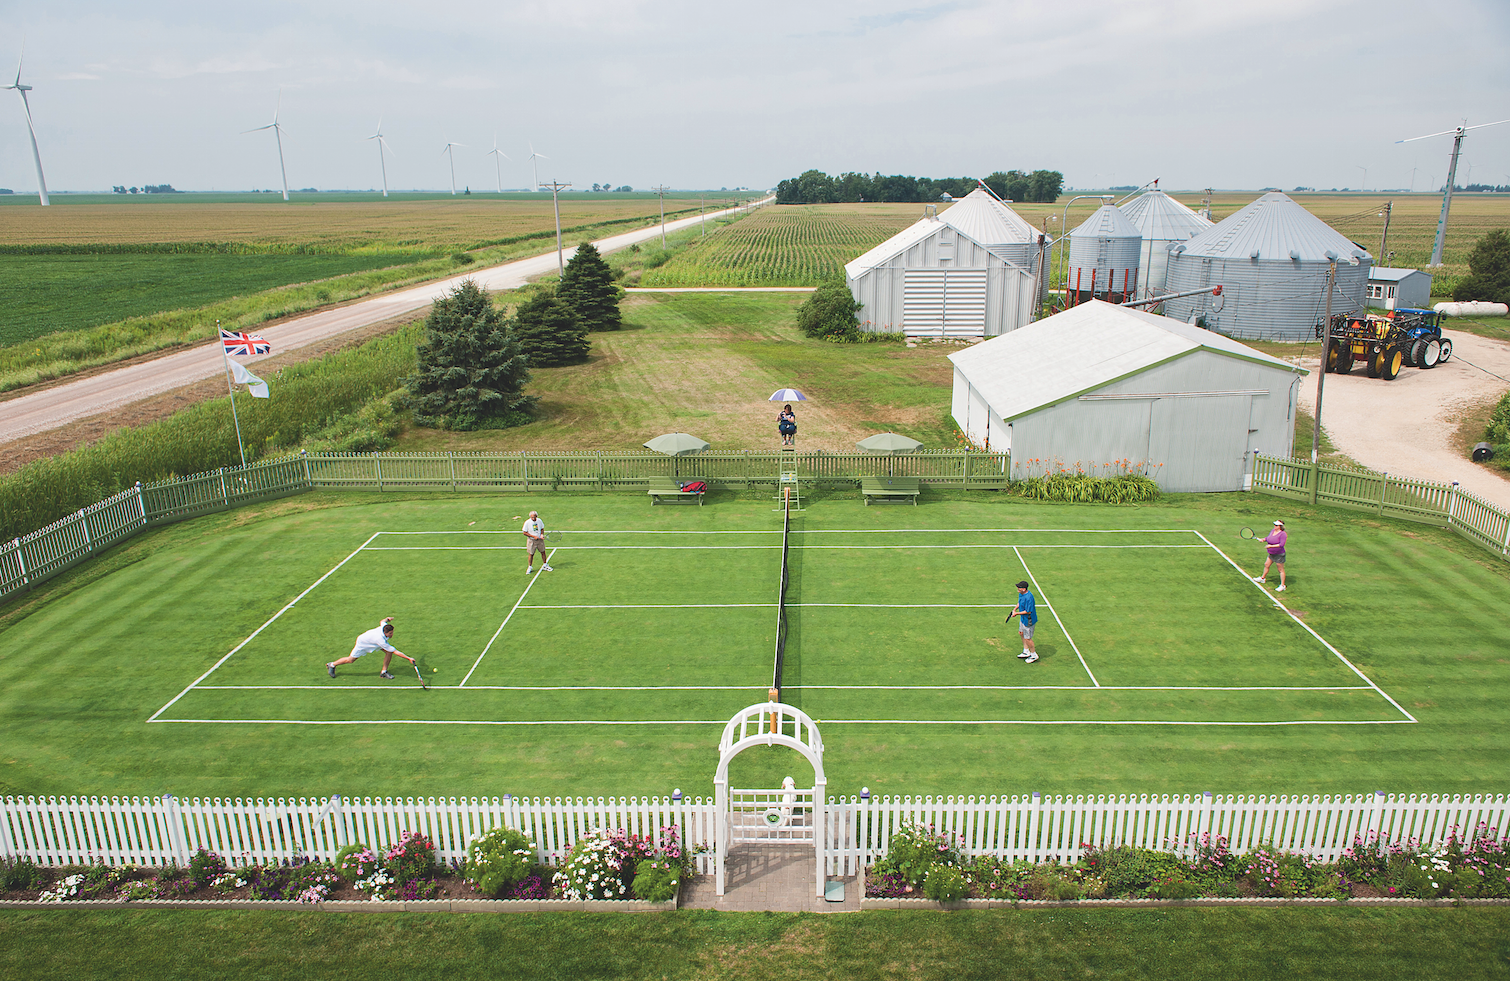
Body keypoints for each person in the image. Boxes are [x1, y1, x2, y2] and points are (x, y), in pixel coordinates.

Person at [327, 617, 415, 679]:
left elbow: (382, 621)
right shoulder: (380, 640)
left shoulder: (383, 626)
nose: (392, 635)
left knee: (388, 652)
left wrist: (387, 619)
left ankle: (384, 672)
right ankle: (332, 665)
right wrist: (408, 658)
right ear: (385, 633)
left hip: (373, 642)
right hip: (363, 644)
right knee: (350, 660)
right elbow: (395, 651)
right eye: (390, 633)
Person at [1005, 580, 1039, 663]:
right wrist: (1015, 609)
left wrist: (1016, 613)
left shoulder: (1029, 598)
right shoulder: (1021, 594)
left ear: (1024, 589)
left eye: (1019, 587)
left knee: (1028, 638)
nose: (1017, 588)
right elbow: (1020, 602)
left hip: (1028, 620)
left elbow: (1028, 611)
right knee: (1021, 633)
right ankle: (1026, 651)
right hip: (1023, 618)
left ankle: (1034, 655)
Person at [1254, 519, 1287, 592]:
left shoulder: (1283, 534)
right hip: (1272, 553)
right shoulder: (1272, 531)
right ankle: (1262, 578)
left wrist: (1270, 546)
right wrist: (1263, 539)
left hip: (1279, 554)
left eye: (1276, 525)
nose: (1274, 526)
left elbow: (1281, 545)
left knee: (1280, 570)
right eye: (1274, 525)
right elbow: (1268, 538)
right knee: (1266, 565)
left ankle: (1282, 585)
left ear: (1280, 526)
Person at [522, 510, 553, 575]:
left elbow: (542, 528)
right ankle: (530, 567)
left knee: (543, 552)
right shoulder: (527, 522)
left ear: (536, 516)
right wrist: (533, 536)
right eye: (532, 517)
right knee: (531, 554)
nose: (533, 518)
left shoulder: (539, 521)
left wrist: (541, 535)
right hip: (531, 540)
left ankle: (545, 565)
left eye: (534, 517)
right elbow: (524, 532)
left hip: (540, 540)